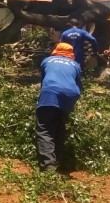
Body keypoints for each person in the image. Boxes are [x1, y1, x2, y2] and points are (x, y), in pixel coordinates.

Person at [35, 42, 83, 173]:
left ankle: (49, 167)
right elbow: (79, 84)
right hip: (71, 95)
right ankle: (59, 159)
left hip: (51, 92)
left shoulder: (47, 61)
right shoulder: (76, 65)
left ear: (56, 51)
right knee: (60, 125)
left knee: (45, 128)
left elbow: (43, 82)